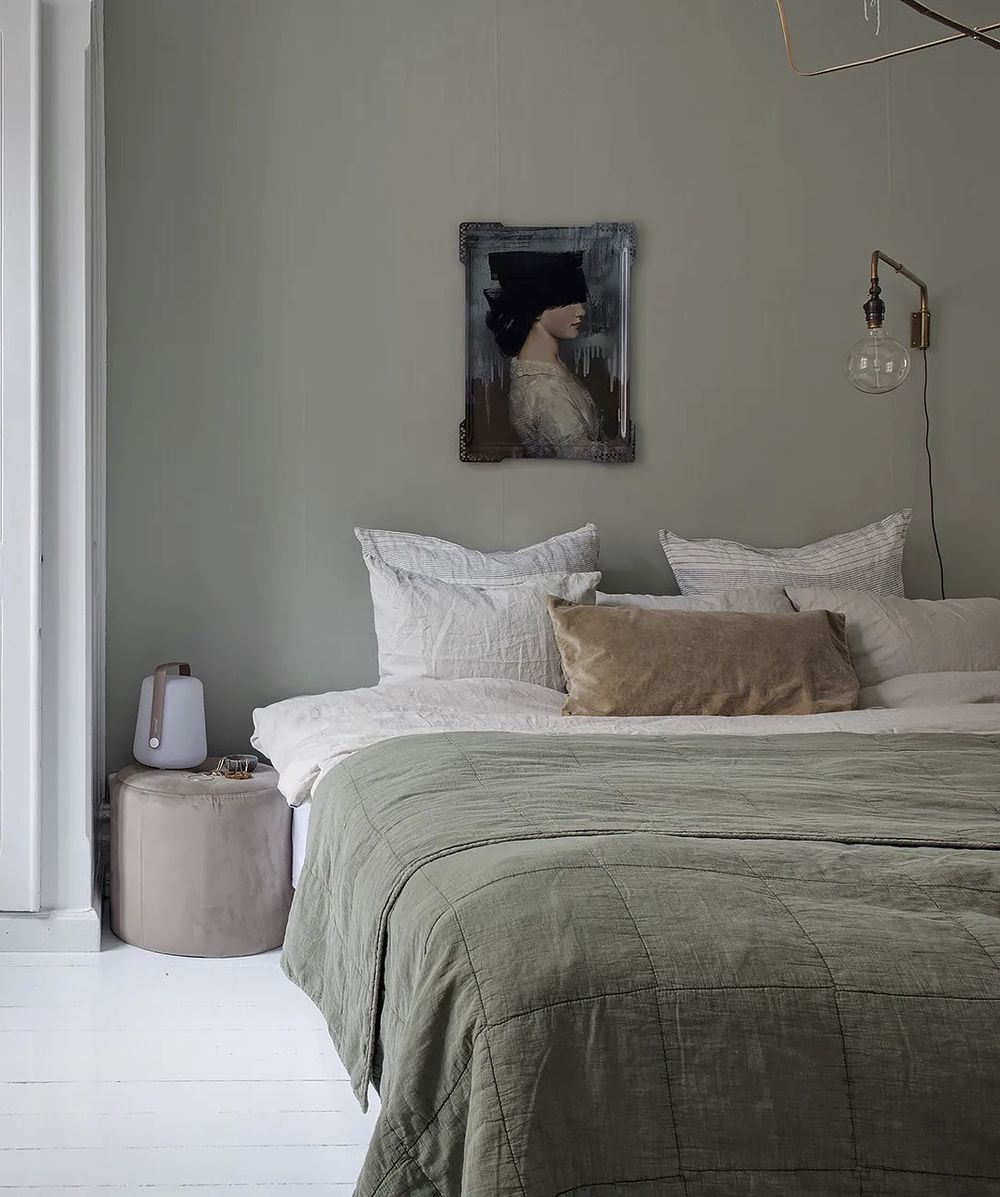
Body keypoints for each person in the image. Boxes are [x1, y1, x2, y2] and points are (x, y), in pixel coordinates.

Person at [484, 250, 604, 458]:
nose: (581, 311)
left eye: (580, 301)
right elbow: (583, 458)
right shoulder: (544, 391)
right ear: (536, 308)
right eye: (568, 302)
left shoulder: (545, 368)